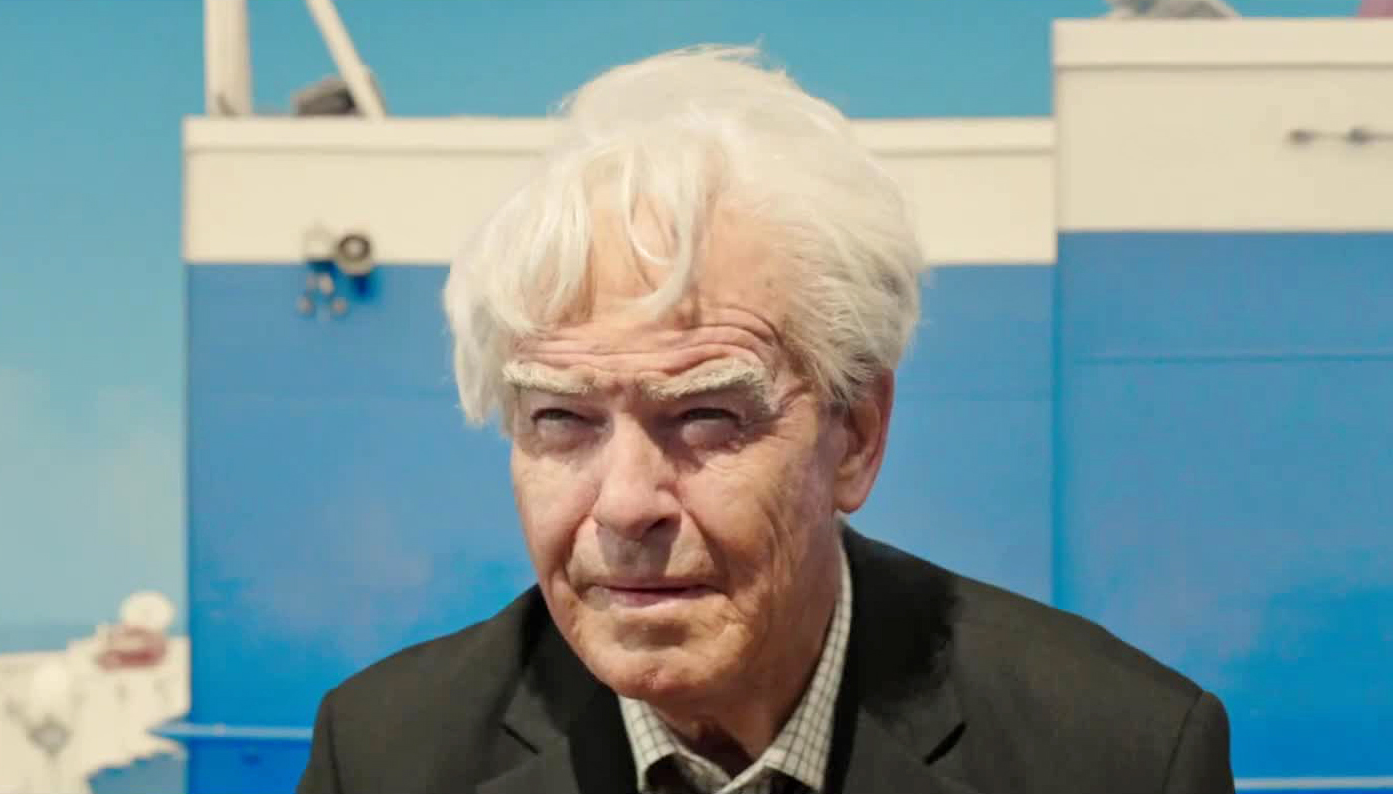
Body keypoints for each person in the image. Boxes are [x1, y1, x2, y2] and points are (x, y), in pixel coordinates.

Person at [296, 46, 1234, 794]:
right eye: (562, 419)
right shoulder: (382, 757)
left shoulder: (1119, 756)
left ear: (854, 436)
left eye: (704, 415)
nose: (624, 506)